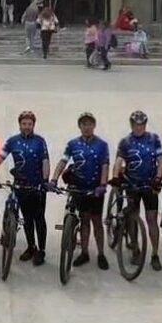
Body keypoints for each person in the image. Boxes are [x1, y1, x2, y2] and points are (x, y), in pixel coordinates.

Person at [0, 110, 49, 266]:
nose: (27, 126)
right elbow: (0, 158)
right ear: (20, 125)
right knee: (27, 219)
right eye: (24, 124)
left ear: (33, 125)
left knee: (39, 219)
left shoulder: (40, 141)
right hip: (21, 185)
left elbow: (45, 161)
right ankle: (31, 247)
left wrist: (45, 180)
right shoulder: (12, 141)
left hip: (37, 186)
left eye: (30, 124)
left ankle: (41, 251)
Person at [50, 113, 110, 270]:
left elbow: (105, 165)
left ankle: (101, 254)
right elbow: (63, 161)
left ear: (94, 126)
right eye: (84, 124)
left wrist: (103, 184)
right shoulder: (72, 144)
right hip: (79, 188)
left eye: (90, 124)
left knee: (97, 221)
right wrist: (54, 179)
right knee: (84, 220)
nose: (87, 127)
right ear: (80, 126)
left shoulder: (102, 145)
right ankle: (84, 252)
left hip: (95, 189)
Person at [112, 111, 162, 272]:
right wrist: (115, 176)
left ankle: (155, 254)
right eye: (136, 125)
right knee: (133, 218)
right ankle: (135, 248)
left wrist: (158, 177)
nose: (139, 127)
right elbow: (119, 161)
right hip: (132, 185)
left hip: (149, 185)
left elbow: (161, 160)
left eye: (142, 125)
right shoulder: (125, 142)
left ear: (145, 125)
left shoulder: (154, 139)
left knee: (152, 220)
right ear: (131, 125)